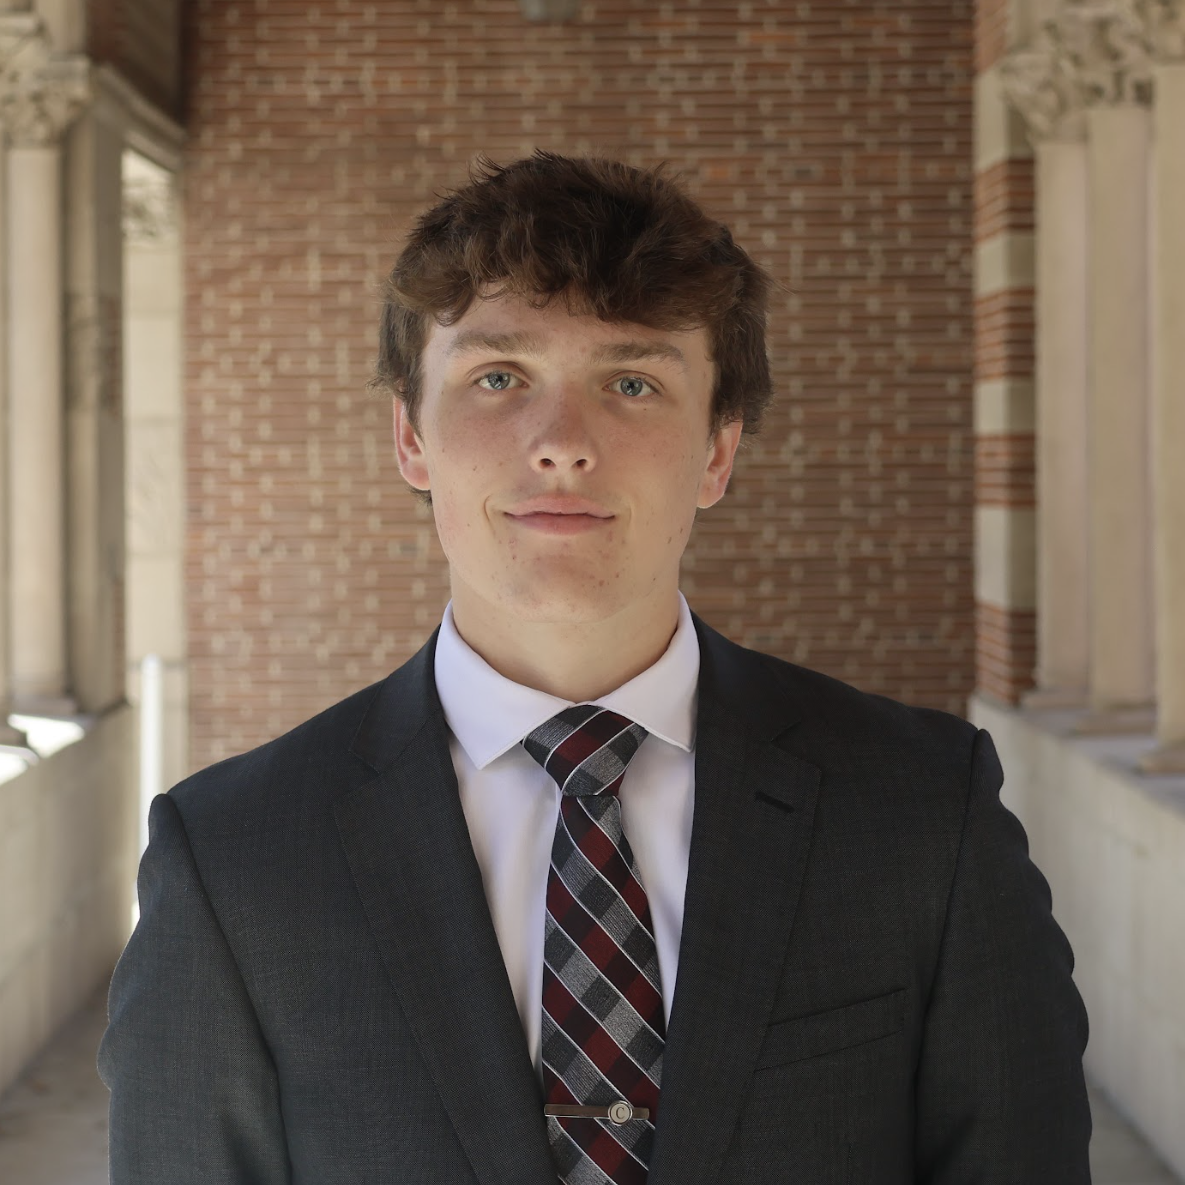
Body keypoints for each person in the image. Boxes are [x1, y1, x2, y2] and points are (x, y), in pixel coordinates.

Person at [99, 150, 1092, 1184]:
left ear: (717, 449)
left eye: (631, 381)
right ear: (410, 439)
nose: (561, 443)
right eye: (497, 378)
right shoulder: (233, 862)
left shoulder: (926, 814)